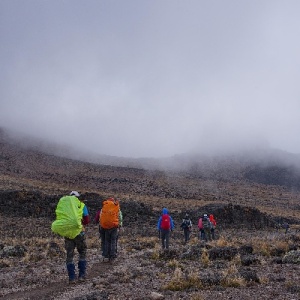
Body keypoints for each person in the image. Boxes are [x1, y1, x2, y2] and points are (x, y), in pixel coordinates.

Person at [51, 191, 90, 284]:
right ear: (77, 197)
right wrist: (80, 223)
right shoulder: (81, 205)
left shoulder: (65, 207)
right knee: (82, 252)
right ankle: (81, 275)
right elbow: (87, 220)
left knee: (69, 255)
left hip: (68, 234)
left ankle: (72, 278)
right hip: (79, 233)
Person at [99, 197, 123, 262]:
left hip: (105, 227)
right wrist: (120, 225)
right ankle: (112, 256)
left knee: (106, 241)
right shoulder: (116, 207)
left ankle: (106, 256)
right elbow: (120, 217)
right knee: (113, 241)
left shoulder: (104, 207)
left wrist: (101, 225)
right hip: (114, 226)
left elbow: (100, 216)